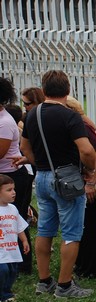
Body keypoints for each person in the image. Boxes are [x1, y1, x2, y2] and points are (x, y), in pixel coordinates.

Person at [19, 70, 96, 298]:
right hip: (67, 180)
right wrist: (90, 169)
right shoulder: (70, 116)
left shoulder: (32, 115)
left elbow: (25, 148)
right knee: (71, 232)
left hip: (42, 177)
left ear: (43, 91)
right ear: (68, 90)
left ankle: (44, 281)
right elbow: (86, 149)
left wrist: (42, 165)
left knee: (45, 229)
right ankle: (65, 285)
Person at [64, 96, 96, 278]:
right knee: (83, 226)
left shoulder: (83, 128)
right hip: (80, 182)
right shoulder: (79, 126)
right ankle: (83, 265)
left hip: (86, 184)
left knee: (88, 227)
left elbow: (95, 156)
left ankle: (90, 268)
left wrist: (90, 183)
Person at [0, 77, 34, 275]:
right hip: (6, 175)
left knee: (17, 217)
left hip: (11, 177)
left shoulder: (4, 123)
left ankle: (22, 263)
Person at [0, 174, 30, 302]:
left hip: (12, 248)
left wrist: (24, 240)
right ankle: (2, 294)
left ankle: (7, 292)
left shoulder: (13, 209)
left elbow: (19, 226)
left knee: (12, 271)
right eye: (9, 190)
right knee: (3, 270)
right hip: (1, 249)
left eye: (14, 189)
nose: (13, 193)